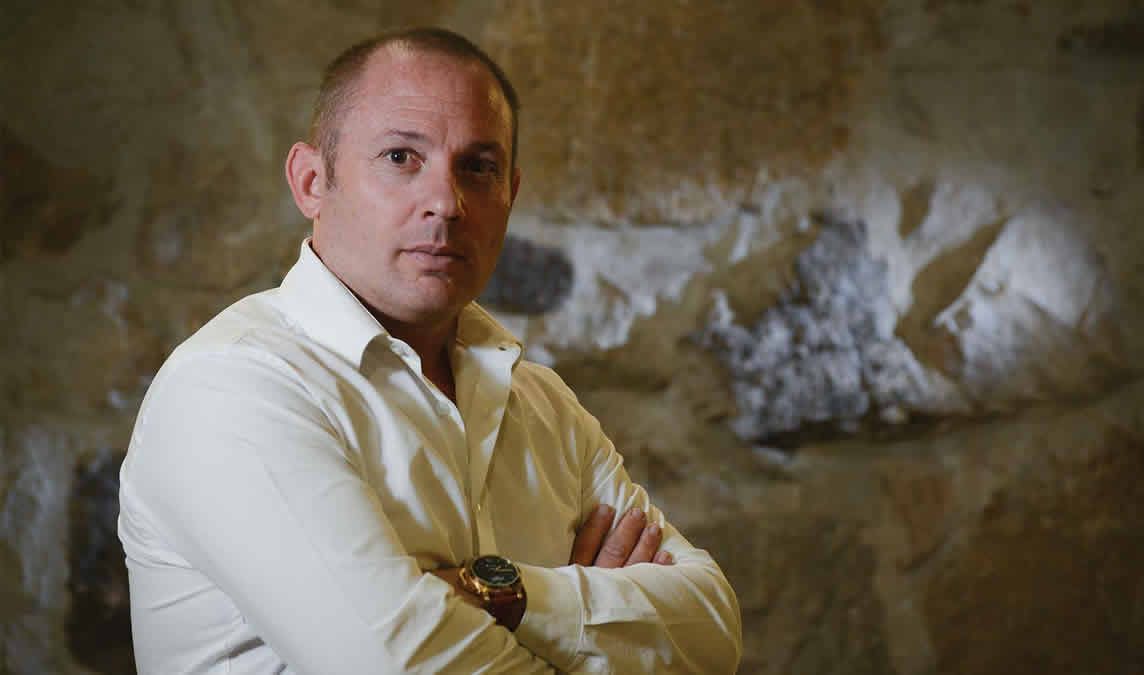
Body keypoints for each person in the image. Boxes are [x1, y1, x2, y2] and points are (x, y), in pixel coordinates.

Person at [118, 27, 742, 674]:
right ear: (311, 182)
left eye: (478, 166)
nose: (446, 202)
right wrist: (598, 626)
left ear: (510, 193)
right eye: (400, 157)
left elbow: (714, 632)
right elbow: (399, 666)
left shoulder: (545, 405)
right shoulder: (233, 387)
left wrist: (500, 594)